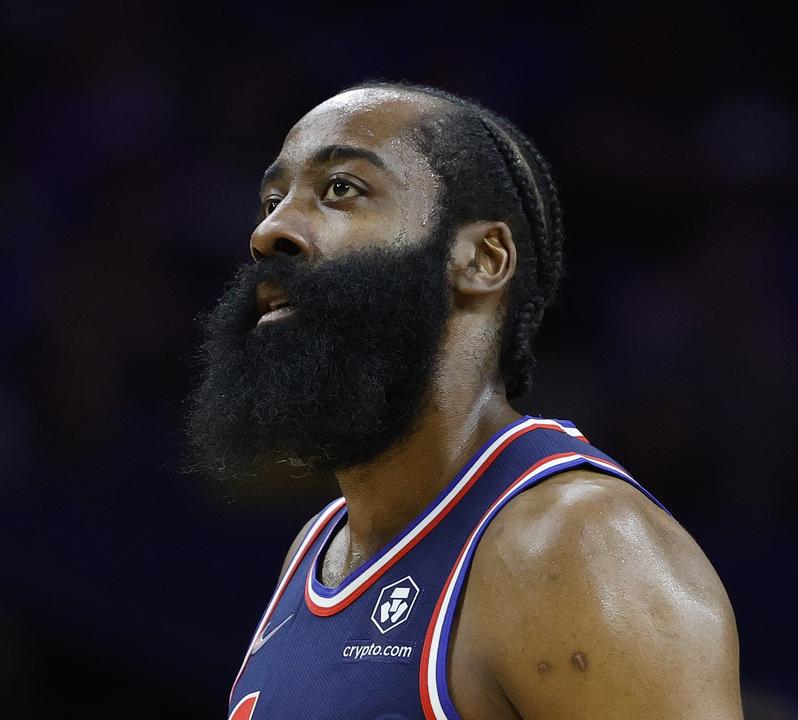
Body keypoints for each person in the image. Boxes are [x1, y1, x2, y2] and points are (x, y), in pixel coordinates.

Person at [185, 80, 742, 720]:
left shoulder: (576, 545)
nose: (270, 230)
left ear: (482, 258)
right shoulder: (317, 547)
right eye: (272, 198)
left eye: (342, 188)